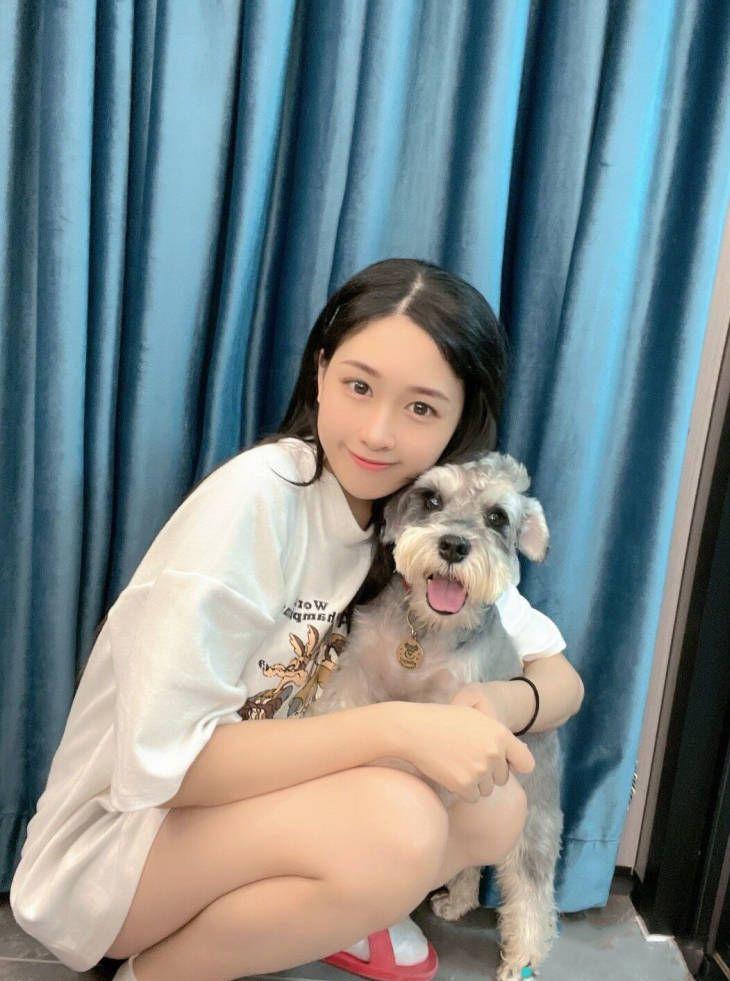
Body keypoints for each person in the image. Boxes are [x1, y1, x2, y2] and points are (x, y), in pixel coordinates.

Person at [9, 258, 584, 981]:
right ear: (320, 373)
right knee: (401, 824)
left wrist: (502, 701)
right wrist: (403, 728)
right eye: (359, 386)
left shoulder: (415, 523)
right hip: (116, 850)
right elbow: (168, 770)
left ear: (458, 423)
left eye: (421, 408)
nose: (378, 432)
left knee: (494, 810)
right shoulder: (255, 503)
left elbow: (560, 678)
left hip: (247, 815)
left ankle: (325, 907)